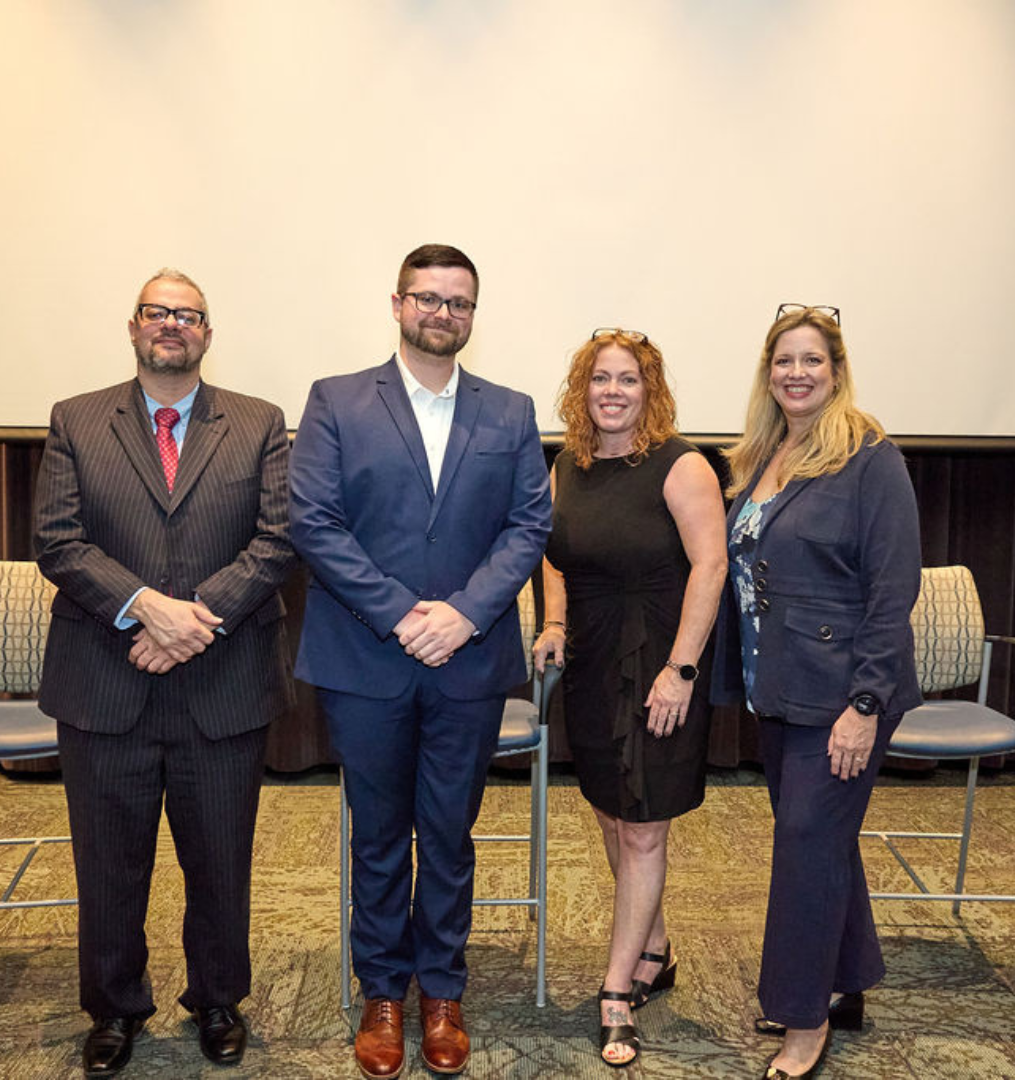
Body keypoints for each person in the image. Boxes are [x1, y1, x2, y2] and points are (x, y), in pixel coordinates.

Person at [289, 243, 551, 1079]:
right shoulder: (335, 400)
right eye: (428, 298)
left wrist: (465, 614)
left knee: (447, 834)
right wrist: (403, 614)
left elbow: (528, 526)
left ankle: (441, 990)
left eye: (458, 302)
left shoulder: (509, 411)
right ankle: (383, 993)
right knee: (376, 836)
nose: (443, 312)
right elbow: (314, 521)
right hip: (366, 657)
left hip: (467, 663)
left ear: (473, 315)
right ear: (398, 304)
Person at [33, 269, 296, 1077]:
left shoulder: (258, 422)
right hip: (105, 681)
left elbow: (278, 540)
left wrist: (192, 621)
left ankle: (218, 1001)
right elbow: (58, 540)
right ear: (134, 326)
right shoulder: (77, 419)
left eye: (189, 314)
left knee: (220, 859)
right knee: (108, 864)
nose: (172, 324)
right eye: (158, 312)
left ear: (208, 333)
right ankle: (114, 1008)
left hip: (222, 683)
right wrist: (147, 607)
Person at [711, 304, 921, 1079]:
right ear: (768, 373)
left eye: (812, 360)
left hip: (842, 696)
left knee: (803, 846)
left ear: (836, 372)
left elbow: (892, 590)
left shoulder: (870, 457)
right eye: (783, 360)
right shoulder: (765, 454)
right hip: (777, 688)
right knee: (819, 840)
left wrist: (865, 706)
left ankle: (803, 1017)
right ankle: (847, 979)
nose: (796, 373)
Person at [532, 329, 727, 1068]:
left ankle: (617, 990)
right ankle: (654, 945)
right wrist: (555, 622)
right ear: (582, 389)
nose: (612, 392)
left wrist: (681, 669)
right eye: (600, 379)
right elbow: (552, 553)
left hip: (658, 662)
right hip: (591, 661)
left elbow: (710, 566)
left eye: (628, 380)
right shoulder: (568, 466)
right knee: (613, 814)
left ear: (651, 391)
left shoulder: (682, 466)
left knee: (644, 825)